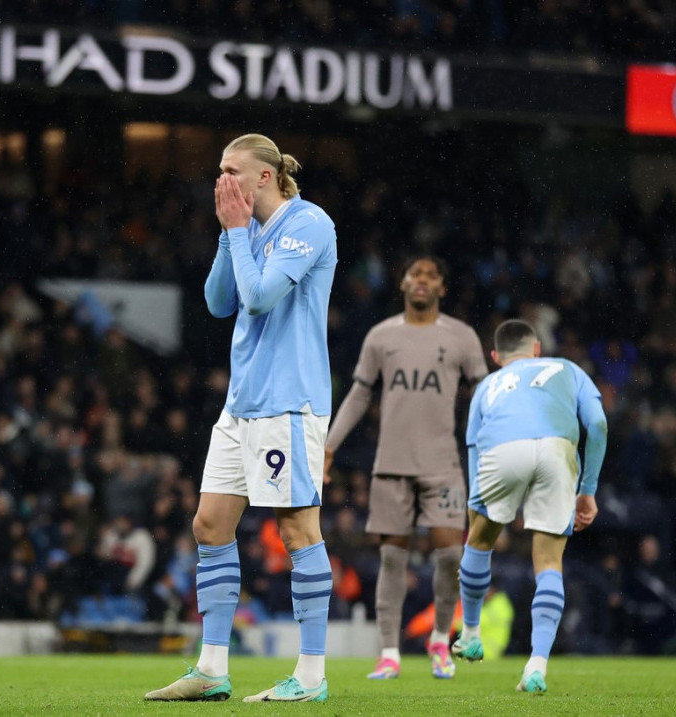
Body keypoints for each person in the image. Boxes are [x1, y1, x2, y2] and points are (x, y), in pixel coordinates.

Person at [144, 134, 337, 703]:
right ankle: (211, 669)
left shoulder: (308, 223)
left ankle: (311, 675)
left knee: (297, 530)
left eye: (232, 170)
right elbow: (218, 301)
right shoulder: (246, 228)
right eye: (219, 170)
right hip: (242, 403)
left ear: (265, 177)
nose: (221, 180)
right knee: (209, 525)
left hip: (288, 402)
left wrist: (234, 232)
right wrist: (232, 233)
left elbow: (258, 298)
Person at [324, 255, 488, 680]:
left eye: (431, 276)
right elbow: (360, 394)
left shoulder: (462, 337)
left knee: (450, 556)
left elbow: (485, 394)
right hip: (392, 465)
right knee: (392, 559)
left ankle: (439, 640)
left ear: (442, 288)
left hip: (443, 465)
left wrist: (494, 445)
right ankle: (389, 653)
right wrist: (329, 445)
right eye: (415, 274)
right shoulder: (381, 336)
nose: (422, 281)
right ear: (402, 283)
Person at [451, 319, 607, 693]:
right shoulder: (568, 369)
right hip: (558, 449)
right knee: (549, 562)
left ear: (495, 356)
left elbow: (473, 447)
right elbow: (599, 425)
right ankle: (536, 666)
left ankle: (470, 633)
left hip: (501, 449)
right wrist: (588, 489)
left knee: (479, 542)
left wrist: (476, 507)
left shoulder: (487, 385)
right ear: (537, 349)